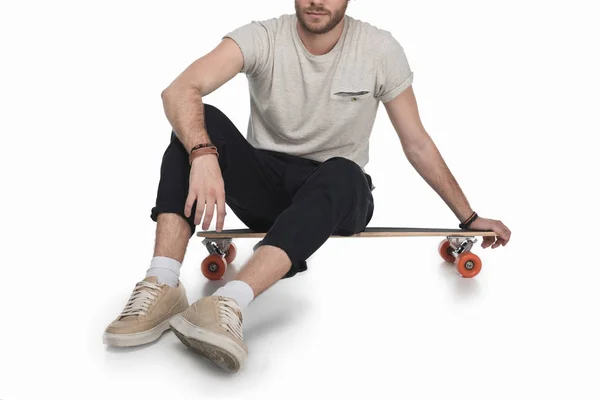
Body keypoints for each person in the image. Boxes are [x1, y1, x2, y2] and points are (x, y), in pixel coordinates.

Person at [102, 0, 511, 372]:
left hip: (339, 193)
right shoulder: (263, 36)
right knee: (193, 121)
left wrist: (468, 216)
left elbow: (417, 142)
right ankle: (163, 282)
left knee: (342, 172)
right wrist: (203, 153)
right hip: (266, 184)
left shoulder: (379, 49)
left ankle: (228, 303)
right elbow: (178, 90)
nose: (317, 1)